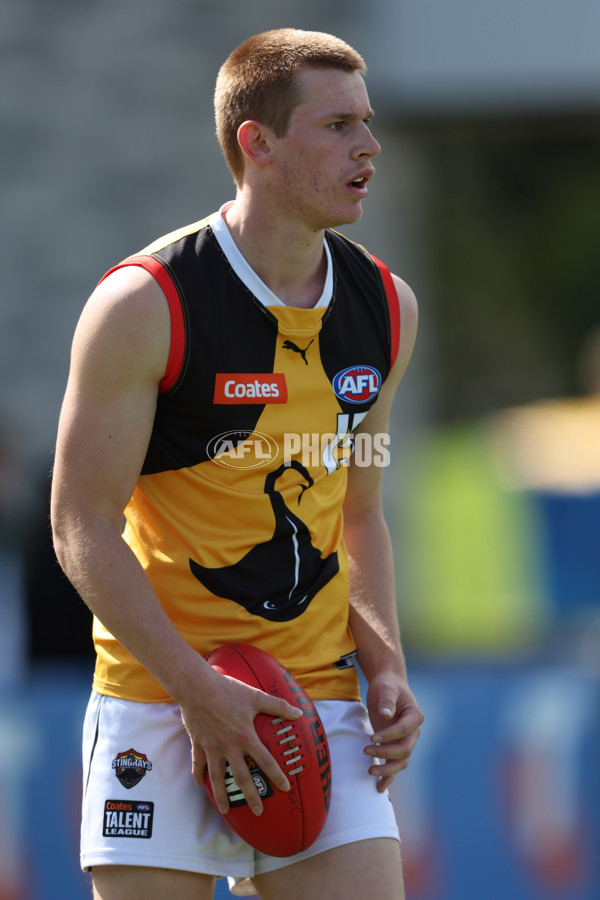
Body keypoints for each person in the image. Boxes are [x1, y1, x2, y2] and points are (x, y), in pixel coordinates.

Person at [51, 28, 423, 900]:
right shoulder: (145, 303)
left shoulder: (387, 308)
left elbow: (357, 514)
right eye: (337, 126)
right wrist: (196, 690)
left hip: (315, 706)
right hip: (158, 700)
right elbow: (80, 526)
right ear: (256, 144)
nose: (368, 146)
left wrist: (388, 665)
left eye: (367, 123)